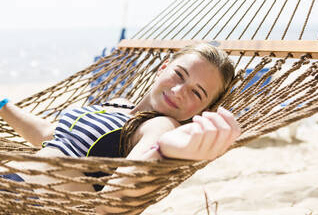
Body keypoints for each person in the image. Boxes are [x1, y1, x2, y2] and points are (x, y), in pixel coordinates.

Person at [0, 43, 241, 214]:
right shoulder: (118, 104)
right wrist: (3, 105)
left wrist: (163, 152)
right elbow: (46, 134)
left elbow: (113, 202)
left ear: (202, 110)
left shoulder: (160, 126)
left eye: (197, 93)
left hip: (27, 202)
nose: (179, 92)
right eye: (179, 75)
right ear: (162, 68)